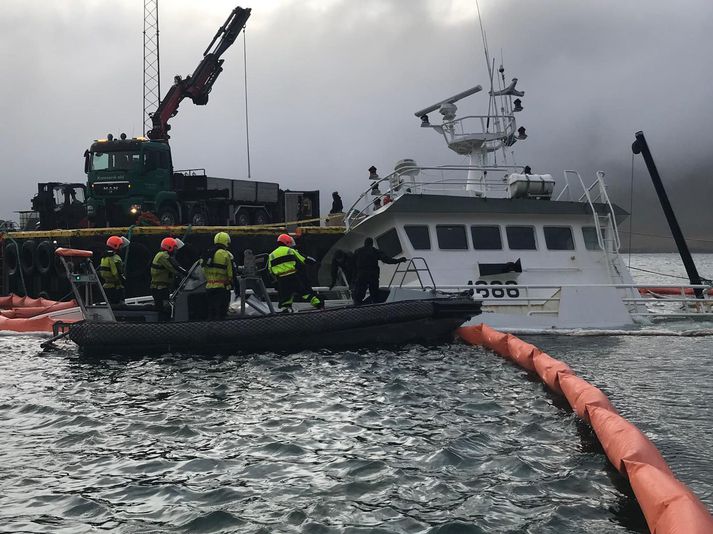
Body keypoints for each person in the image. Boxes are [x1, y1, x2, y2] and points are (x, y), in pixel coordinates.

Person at [267, 233, 323, 311]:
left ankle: (286, 310)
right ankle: (318, 305)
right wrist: (315, 262)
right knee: (305, 292)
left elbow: (270, 270)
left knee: (285, 296)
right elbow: (303, 259)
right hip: (293, 276)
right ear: (286, 242)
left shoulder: (271, 255)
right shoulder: (290, 250)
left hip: (281, 280)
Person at [352, 237, 407, 305]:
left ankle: (357, 305)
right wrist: (399, 260)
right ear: (372, 244)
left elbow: (353, 265)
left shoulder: (358, 251)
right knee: (374, 294)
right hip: (373, 275)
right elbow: (387, 260)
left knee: (359, 294)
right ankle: (375, 306)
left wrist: (354, 278)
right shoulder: (375, 251)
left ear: (365, 243)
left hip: (361, 275)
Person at [150, 236, 187, 318]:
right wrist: (188, 274)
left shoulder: (161, 255)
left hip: (160, 287)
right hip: (160, 288)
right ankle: (162, 324)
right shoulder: (163, 256)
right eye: (174, 248)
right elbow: (175, 267)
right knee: (165, 308)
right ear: (169, 247)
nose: (175, 250)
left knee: (163, 307)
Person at [202, 231, 234, 320]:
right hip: (222, 288)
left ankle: (210, 330)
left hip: (209, 287)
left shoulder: (207, 253)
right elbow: (231, 274)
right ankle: (221, 331)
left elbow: (202, 269)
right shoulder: (226, 255)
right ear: (226, 241)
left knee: (211, 312)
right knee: (221, 313)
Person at [99, 235, 128, 305]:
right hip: (116, 288)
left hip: (106, 287)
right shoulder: (115, 258)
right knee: (120, 307)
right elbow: (118, 273)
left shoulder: (104, 258)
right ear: (115, 246)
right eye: (120, 246)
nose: (121, 248)